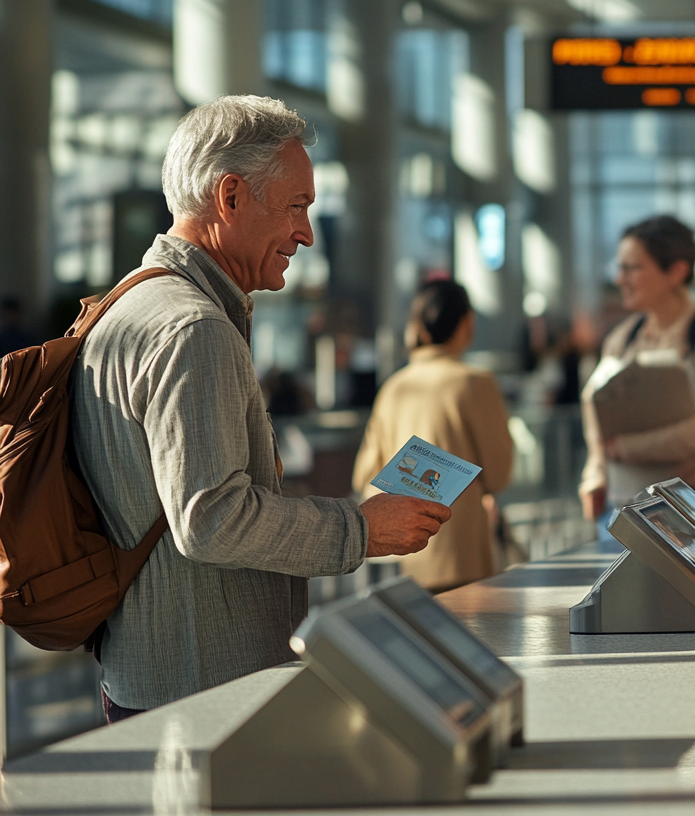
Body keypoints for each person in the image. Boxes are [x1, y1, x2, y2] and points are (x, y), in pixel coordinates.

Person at [70, 95, 449, 722]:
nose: (305, 232)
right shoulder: (194, 329)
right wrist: (363, 529)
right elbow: (211, 519)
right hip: (209, 689)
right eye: (297, 206)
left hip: (144, 673)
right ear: (231, 197)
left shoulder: (125, 307)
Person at [578, 215, 695, 525]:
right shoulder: (623, 338)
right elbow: (594, 404)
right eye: (619, 267)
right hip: (621, 513)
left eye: (632, 268)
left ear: (677, 271)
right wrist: (595, 472)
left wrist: (626, 449)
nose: (620, 278)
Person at [353, 279, 515, 592]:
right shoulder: (475, 383)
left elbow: (364, 474)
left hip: (406, 555)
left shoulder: (394, 387)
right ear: (467, 323)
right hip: (464, 554)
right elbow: (498, 475)